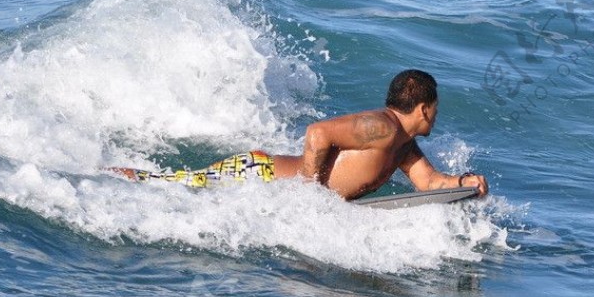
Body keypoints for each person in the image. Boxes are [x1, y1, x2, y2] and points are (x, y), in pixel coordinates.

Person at [110, 69, 489, 200]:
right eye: (435, 107)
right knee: (171, 185)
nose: (437, 114)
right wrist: (307, 192)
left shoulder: (403, 144)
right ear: (424, 107)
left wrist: (463, 182)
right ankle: (111, 175)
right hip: (258, 174)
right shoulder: (382, 127)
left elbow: (430, 182)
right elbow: (318, 133)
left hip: (265, 179)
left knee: (180, 188)